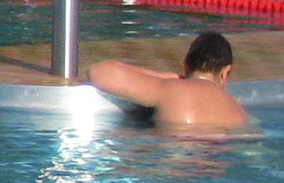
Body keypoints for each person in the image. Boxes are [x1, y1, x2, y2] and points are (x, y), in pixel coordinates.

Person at [90, 33, 250, 131]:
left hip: (173, 160)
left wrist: (165, 77)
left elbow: (100, 72)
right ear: (226, 72)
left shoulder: (170, 88)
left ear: (186, 65)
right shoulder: (239, 112)